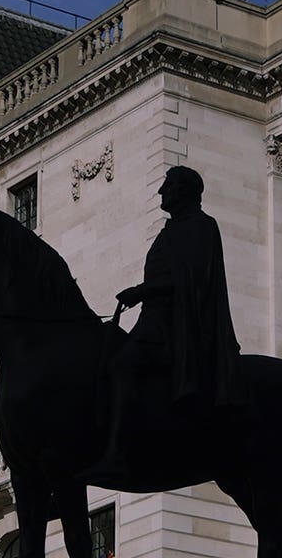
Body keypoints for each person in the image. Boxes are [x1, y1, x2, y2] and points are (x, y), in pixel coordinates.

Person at [91, 165, 245, 479]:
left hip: (177, 330)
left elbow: (191, 281)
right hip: (154, 323)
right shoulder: (174, 230)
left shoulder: (201, 227)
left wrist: (141, 290)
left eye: (168, 186)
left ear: (183, 191)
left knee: (122, 366)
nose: (161, 192)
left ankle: (120, 453)